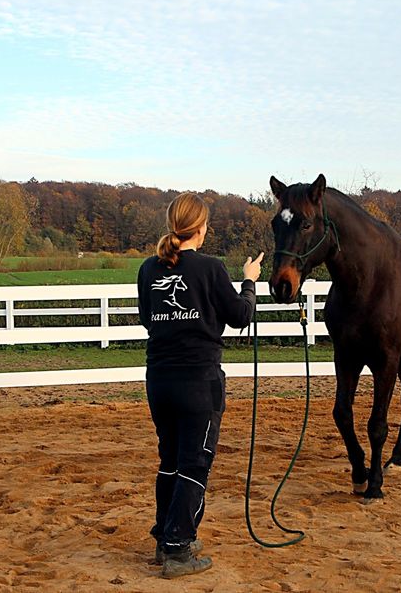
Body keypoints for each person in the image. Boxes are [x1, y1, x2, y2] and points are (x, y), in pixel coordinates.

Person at [136, 192, 263, 579]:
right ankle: (177, 548)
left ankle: (167, 538)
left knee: (170, 460)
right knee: (195, 463)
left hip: (159, 379)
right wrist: (249, 282)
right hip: (198, 381)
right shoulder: (210, 268)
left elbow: (148, 319)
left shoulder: (147, 269)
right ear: (202, 228)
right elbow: (240, 316)